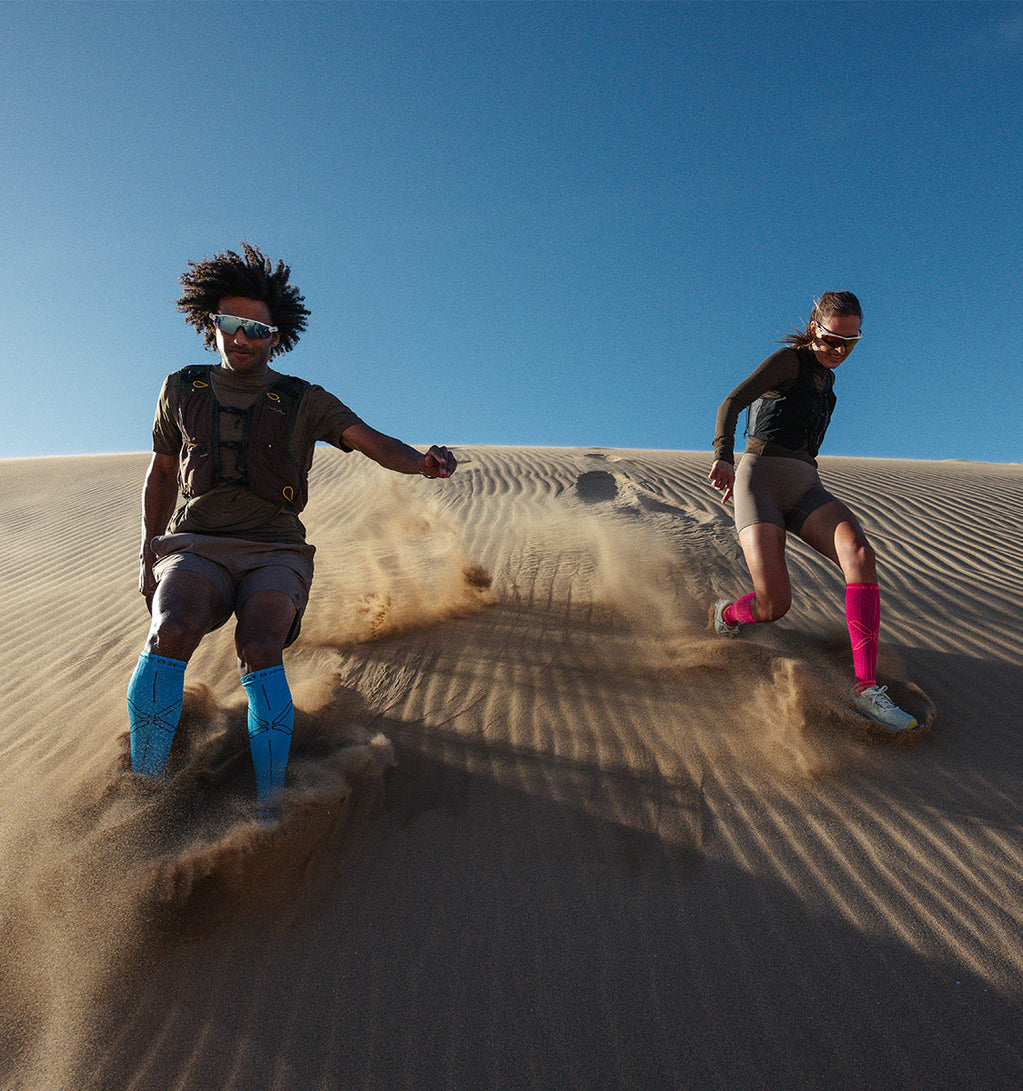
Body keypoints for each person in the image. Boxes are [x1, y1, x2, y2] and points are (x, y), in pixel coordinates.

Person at [127, 243, 457, 807]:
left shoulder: (304, 399)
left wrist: (421, 462)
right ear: (212, 326)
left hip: (275, 552)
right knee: (170, 631)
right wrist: (148, 552)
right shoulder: (181, 388)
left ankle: (270, 804)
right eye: (230, 324)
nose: (242, 337)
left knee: (259, 642)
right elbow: (160, 474)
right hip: (195, 543)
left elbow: (375, 444)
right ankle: (145, 790)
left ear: (276, 335)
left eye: (257, 328)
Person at [707, 291, 917, 731]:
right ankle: (727, 614)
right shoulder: (790, 361)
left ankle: (865, 689)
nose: (839, 351)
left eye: (850, 343)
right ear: (814, 327)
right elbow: (732, 402)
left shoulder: (829, 385)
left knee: (860, 553)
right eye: (831, 339)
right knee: (774, 604)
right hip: (758, 482)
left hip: (805, 486)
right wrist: (724, 456)